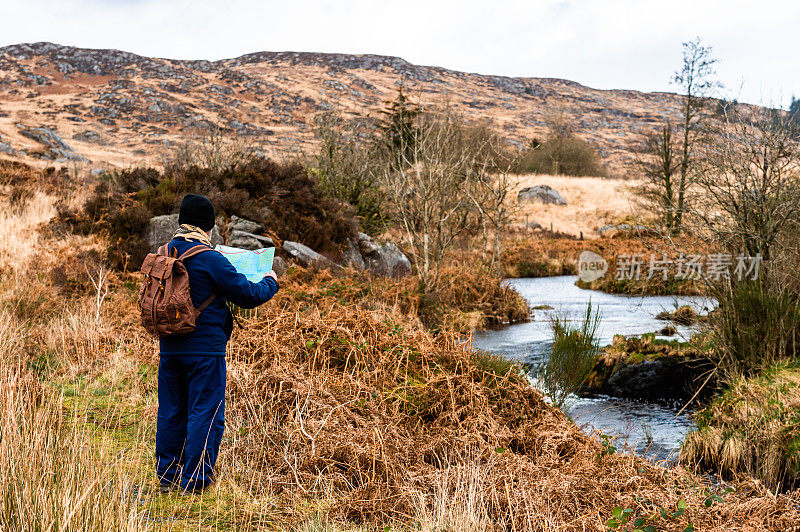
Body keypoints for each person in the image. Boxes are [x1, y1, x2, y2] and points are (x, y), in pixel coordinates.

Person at [155, 193, 279, 493]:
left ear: (181, 221)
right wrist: (270, 280)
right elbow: (249, 296)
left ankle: (168, 476)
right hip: (205, 353)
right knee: (204, 415)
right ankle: (195, 482)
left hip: (169, 349)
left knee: (171, 412)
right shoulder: (211, 258)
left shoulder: (163, 253)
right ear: (208, 227)